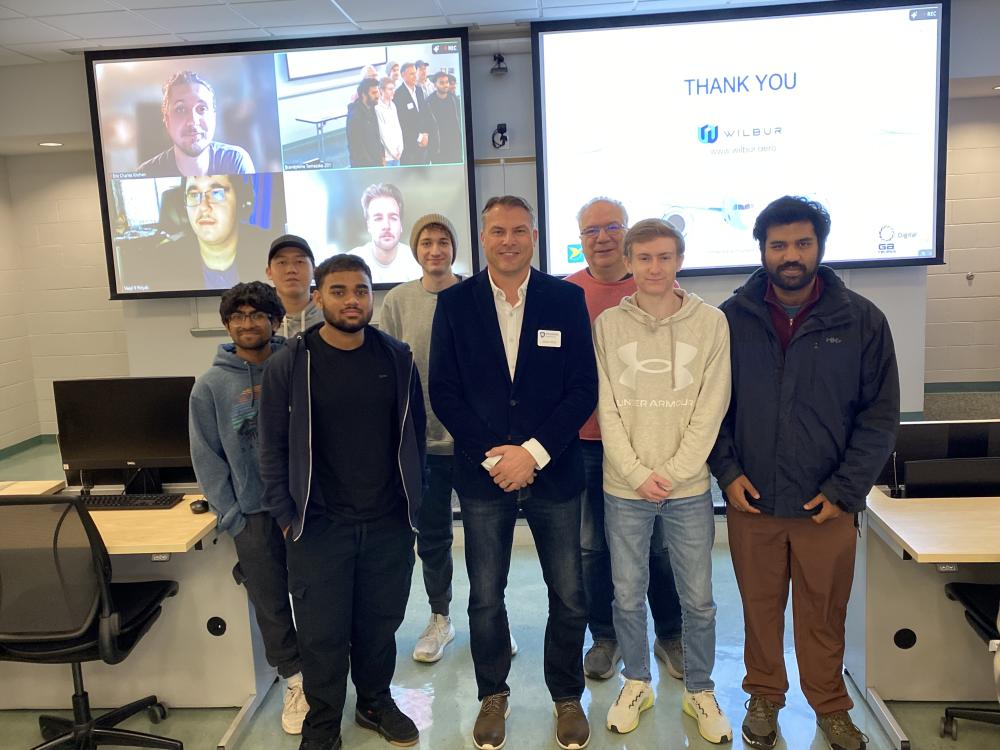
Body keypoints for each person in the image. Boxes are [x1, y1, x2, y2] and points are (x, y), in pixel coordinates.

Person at [709, 196, 899, 750]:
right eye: (779, 245)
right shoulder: (729, 319)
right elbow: (709, 407)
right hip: (755, 500)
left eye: (802, 243)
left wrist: (845, 490)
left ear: (820, 246)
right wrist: (727, 472)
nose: (790, 255)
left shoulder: (862, 320)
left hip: (828, 505)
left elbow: (880, 415)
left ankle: (829, 704)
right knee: (760, 609)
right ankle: (765, 695)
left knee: (822, 613)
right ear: (762, 250)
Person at [429, 195, 596, 750]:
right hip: (484, 475)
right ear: (483, 237)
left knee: (569, 594)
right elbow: (445, 393)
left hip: (554, 470)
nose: (508, 240)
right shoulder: (454, 304)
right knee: (484, 595)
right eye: (497, 231)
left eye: (519, 230)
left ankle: (566, 695)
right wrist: (497, 456)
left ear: (534, 235)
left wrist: (534, 452)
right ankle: (492, 695)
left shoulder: (566, 299)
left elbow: (581, 391)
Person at [259, 254, 426, 750]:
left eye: (361, 290)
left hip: (387, 522)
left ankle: (374, 702)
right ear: (318, 297)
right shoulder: (292, 361)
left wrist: (414, 506)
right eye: (338, 291)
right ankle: (324, 721)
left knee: (379, 625)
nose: (351, 300)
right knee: (322, 634)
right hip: (317, 525)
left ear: (372, 296)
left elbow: (414, 436)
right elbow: (270, 446)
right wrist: (287, 517)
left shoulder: (396, 357)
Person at [593, 219, 733, 743]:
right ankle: (636, 682)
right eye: (645, 257)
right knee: (627, 595)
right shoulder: (608, 325)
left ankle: (700, 689)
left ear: (680, 260)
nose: (655, 267)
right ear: (629, 262)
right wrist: (634, 472)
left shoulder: (712, 323)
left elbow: (711, 405)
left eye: (665, 257)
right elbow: (606, 405)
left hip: (689, 487)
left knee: (698, 598)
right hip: (623, 488)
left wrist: (673, 473)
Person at [564, 198, 685, 684]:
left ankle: (670, 634)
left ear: (628, 235)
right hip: (585, 442)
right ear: (580, 239)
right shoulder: (565, 292)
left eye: (612, 226)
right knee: (593, 547)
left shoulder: (660, 291)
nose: (602, 237)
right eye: (591, 230)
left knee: (657, 548)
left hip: (647, 445)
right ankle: (606, 637)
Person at [188, 281, 308, 736]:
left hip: (302, 509)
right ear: (227, 324)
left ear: (275, 320)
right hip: (253, 516)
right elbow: (207, 457)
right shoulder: (211, 386)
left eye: (257, 314)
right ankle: (294, 681)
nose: (247, 323)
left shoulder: (298, 367)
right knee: (271, 603)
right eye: (237, 316)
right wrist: (233, 515)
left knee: (315, 597)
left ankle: (324, 674)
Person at [380, 214, 462, 664]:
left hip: (473, 444)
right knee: (433, 537)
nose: (435, 249)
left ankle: (494, 618)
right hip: (422, 442)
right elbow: (385, 367)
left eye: (443, 241)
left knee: (490, 536)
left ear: (454, 248)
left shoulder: (474, 293)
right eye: (426, 242)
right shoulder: (398, 300)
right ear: (416, 250)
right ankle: (440, 618)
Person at [138, 174, 265, 291]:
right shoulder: (160, 262)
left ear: (242, 200)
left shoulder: (269, 252)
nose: (203, 207)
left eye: (216, 193)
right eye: (193, 195)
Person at [138, 71, 254, 177]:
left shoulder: (235, 161)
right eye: (180, 109)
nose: (193, 121)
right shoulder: (147, 173)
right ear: (167, 120)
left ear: (213, 116)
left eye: (202, 108)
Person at [348, 183, 421, 284]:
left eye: (393, 218)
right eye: (378, 218)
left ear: (401, 224)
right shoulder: (349, 263)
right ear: (369, 225)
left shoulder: (419, 263)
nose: (386, 225)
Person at [265, 234, 324, 337]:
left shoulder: (331, 318)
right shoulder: (261, 322)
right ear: (269, 272)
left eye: (300, 262)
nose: (291, 270)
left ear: (314, 271)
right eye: (282, 262)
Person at [394, 62, 430, 165]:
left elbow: (424, 114)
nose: (415, 76)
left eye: (415, 73)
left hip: (424, 143)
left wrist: (426, 134)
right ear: (403, 75)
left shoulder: (419, 90)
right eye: (411, 74)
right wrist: (419, 137)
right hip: (409, 147)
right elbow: (402, 123)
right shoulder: (398, 95)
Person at [345, 78, 383, 168]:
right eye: (373, 93)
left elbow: (376, 136)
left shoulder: (371, 108)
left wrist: (382, 155)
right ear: (364, 95)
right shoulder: (355, 116)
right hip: (365, 168)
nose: (377, 96)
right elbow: (357, 148)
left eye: (377, 92)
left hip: (376, 164)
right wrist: (373, 167)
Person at [427, 72, 462, 164]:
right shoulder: (429, 102)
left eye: (447, 82)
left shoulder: (454, 100)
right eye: (441, 83)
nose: (445, 85)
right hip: (438, 149)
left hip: (455, 147)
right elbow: (426, 126)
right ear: (435, 85)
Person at [375, 77, 404, 167]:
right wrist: (393, 152)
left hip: (397, 153)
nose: (393, 91)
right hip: (388, 156)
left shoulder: (393, 105)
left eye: (393, 89)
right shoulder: (377, 108)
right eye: (390, 89)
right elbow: (382, 134)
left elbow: (398, 127)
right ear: (381, 90)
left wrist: (400, 148)